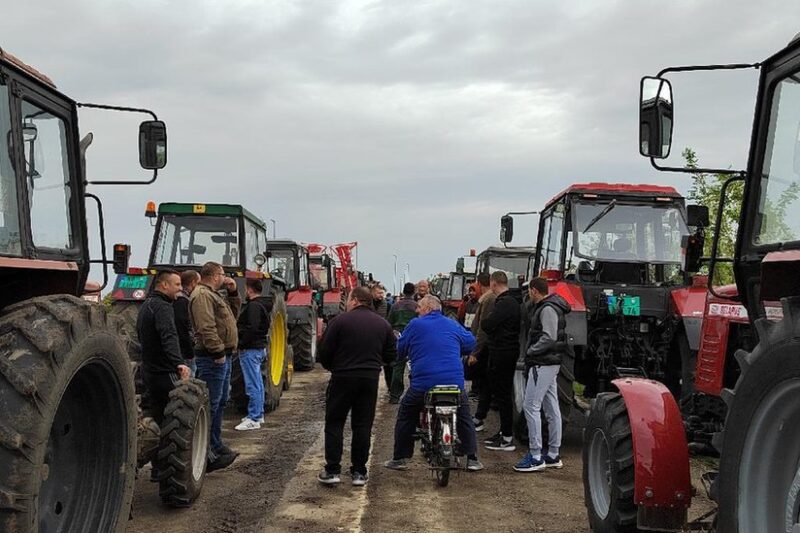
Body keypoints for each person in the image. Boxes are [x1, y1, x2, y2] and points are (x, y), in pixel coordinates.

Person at [384, 295, 483, 471]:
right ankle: (472, 458)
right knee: (464, 415)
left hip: (423, 385)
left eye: (419, 307)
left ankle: (399, 458)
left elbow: (400, 349)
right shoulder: (451, 324)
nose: (416, 310)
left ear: (428, 308)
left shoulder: (415, 325)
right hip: (453, 384)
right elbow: (471, 343)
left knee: (406, 414)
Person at [317, 286, 397, 486]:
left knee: (335, 422)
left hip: (342, 377)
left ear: (354, 301)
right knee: (363, 425)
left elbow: (324, 352)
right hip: (369, 379)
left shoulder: (339, 322)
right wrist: (376, 364)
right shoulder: (383, 324)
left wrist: (334, 367)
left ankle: (333, 470)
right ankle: (359, 472)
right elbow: (391, 355)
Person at [515, 277, 571, 472]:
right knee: (551, 406)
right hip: (551, 363)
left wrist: (531, 351)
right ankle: (553, 454)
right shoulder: (554, 306)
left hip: (542, 363)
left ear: (533, 291)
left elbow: (548, 336)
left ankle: (536, 455)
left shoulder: (546, 309)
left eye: (529, 291)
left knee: (531, 406)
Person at [190, 261, 241, 472]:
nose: (225, 277)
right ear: (213, 275)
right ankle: (208, 451)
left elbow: (232, 316)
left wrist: (233, 293)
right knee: (211, 403)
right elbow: (206, 327)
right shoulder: (202, 295)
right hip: (213, 358)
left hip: (223, 356)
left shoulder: (214, 294)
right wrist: (217, 351)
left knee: (220, 402)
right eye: (222, 274)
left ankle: (216, 445)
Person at [137, 270, 191, 426]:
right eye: (177, 284)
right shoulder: (163, 307)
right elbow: (169, 336)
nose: (181, 288)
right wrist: (178, 363)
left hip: (149, 370)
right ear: (165, 285)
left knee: (158, 415)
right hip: (165, 372)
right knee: (179, 418)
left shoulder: (146, 305)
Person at [480, 271, 521, 452]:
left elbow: (487, 324)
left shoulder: (505, 303)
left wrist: (487, 321)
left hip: (502, 352)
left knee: (503, 395)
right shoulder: (513, 301)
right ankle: (504, 433)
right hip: (507, 351)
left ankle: (506, 438)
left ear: (494, 284)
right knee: (501, 393)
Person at [235, 278, 272, 431]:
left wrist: (241, 343)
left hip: (251, 349)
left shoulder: (253, 307)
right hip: (257, 348)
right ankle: (258, 413)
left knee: (252, 385)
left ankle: (254, 417)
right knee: (257, 382)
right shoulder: (262, 305)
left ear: (249, 289)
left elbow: (252, 327)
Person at [468, 273, 495, 422]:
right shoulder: (485, 299)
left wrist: (475, 351)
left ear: (479, 284)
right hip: (484, 346)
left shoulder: (488, 299)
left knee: (485, 382)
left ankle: (479, 417)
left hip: (484, 348)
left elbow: (482, 329)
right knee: (484, 383)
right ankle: (480, 414)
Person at [387, 282, 419, 403]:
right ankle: (415, 394)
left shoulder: (396, 306)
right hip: (414, 339)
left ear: (403, 291)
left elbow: (389, 323)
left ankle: (394, 396)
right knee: (415, 367)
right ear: (413, 292)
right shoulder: (417, 306)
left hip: (399, 338)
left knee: (398, 367)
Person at [174, 270, 200, 377]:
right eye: (199, 283)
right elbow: (182, 326)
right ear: (193, 283)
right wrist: (189, 351)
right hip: (185, 350)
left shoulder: (179, 299)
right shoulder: (182, 301)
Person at [371, 284, 393, 390]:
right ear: (373, 292)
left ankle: (390, 387)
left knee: (388, 365)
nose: (381, 295)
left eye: (382, 293)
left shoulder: (387, 306)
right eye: (379, 293)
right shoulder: (367, 305)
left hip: (383, 338)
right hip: (370, 338)